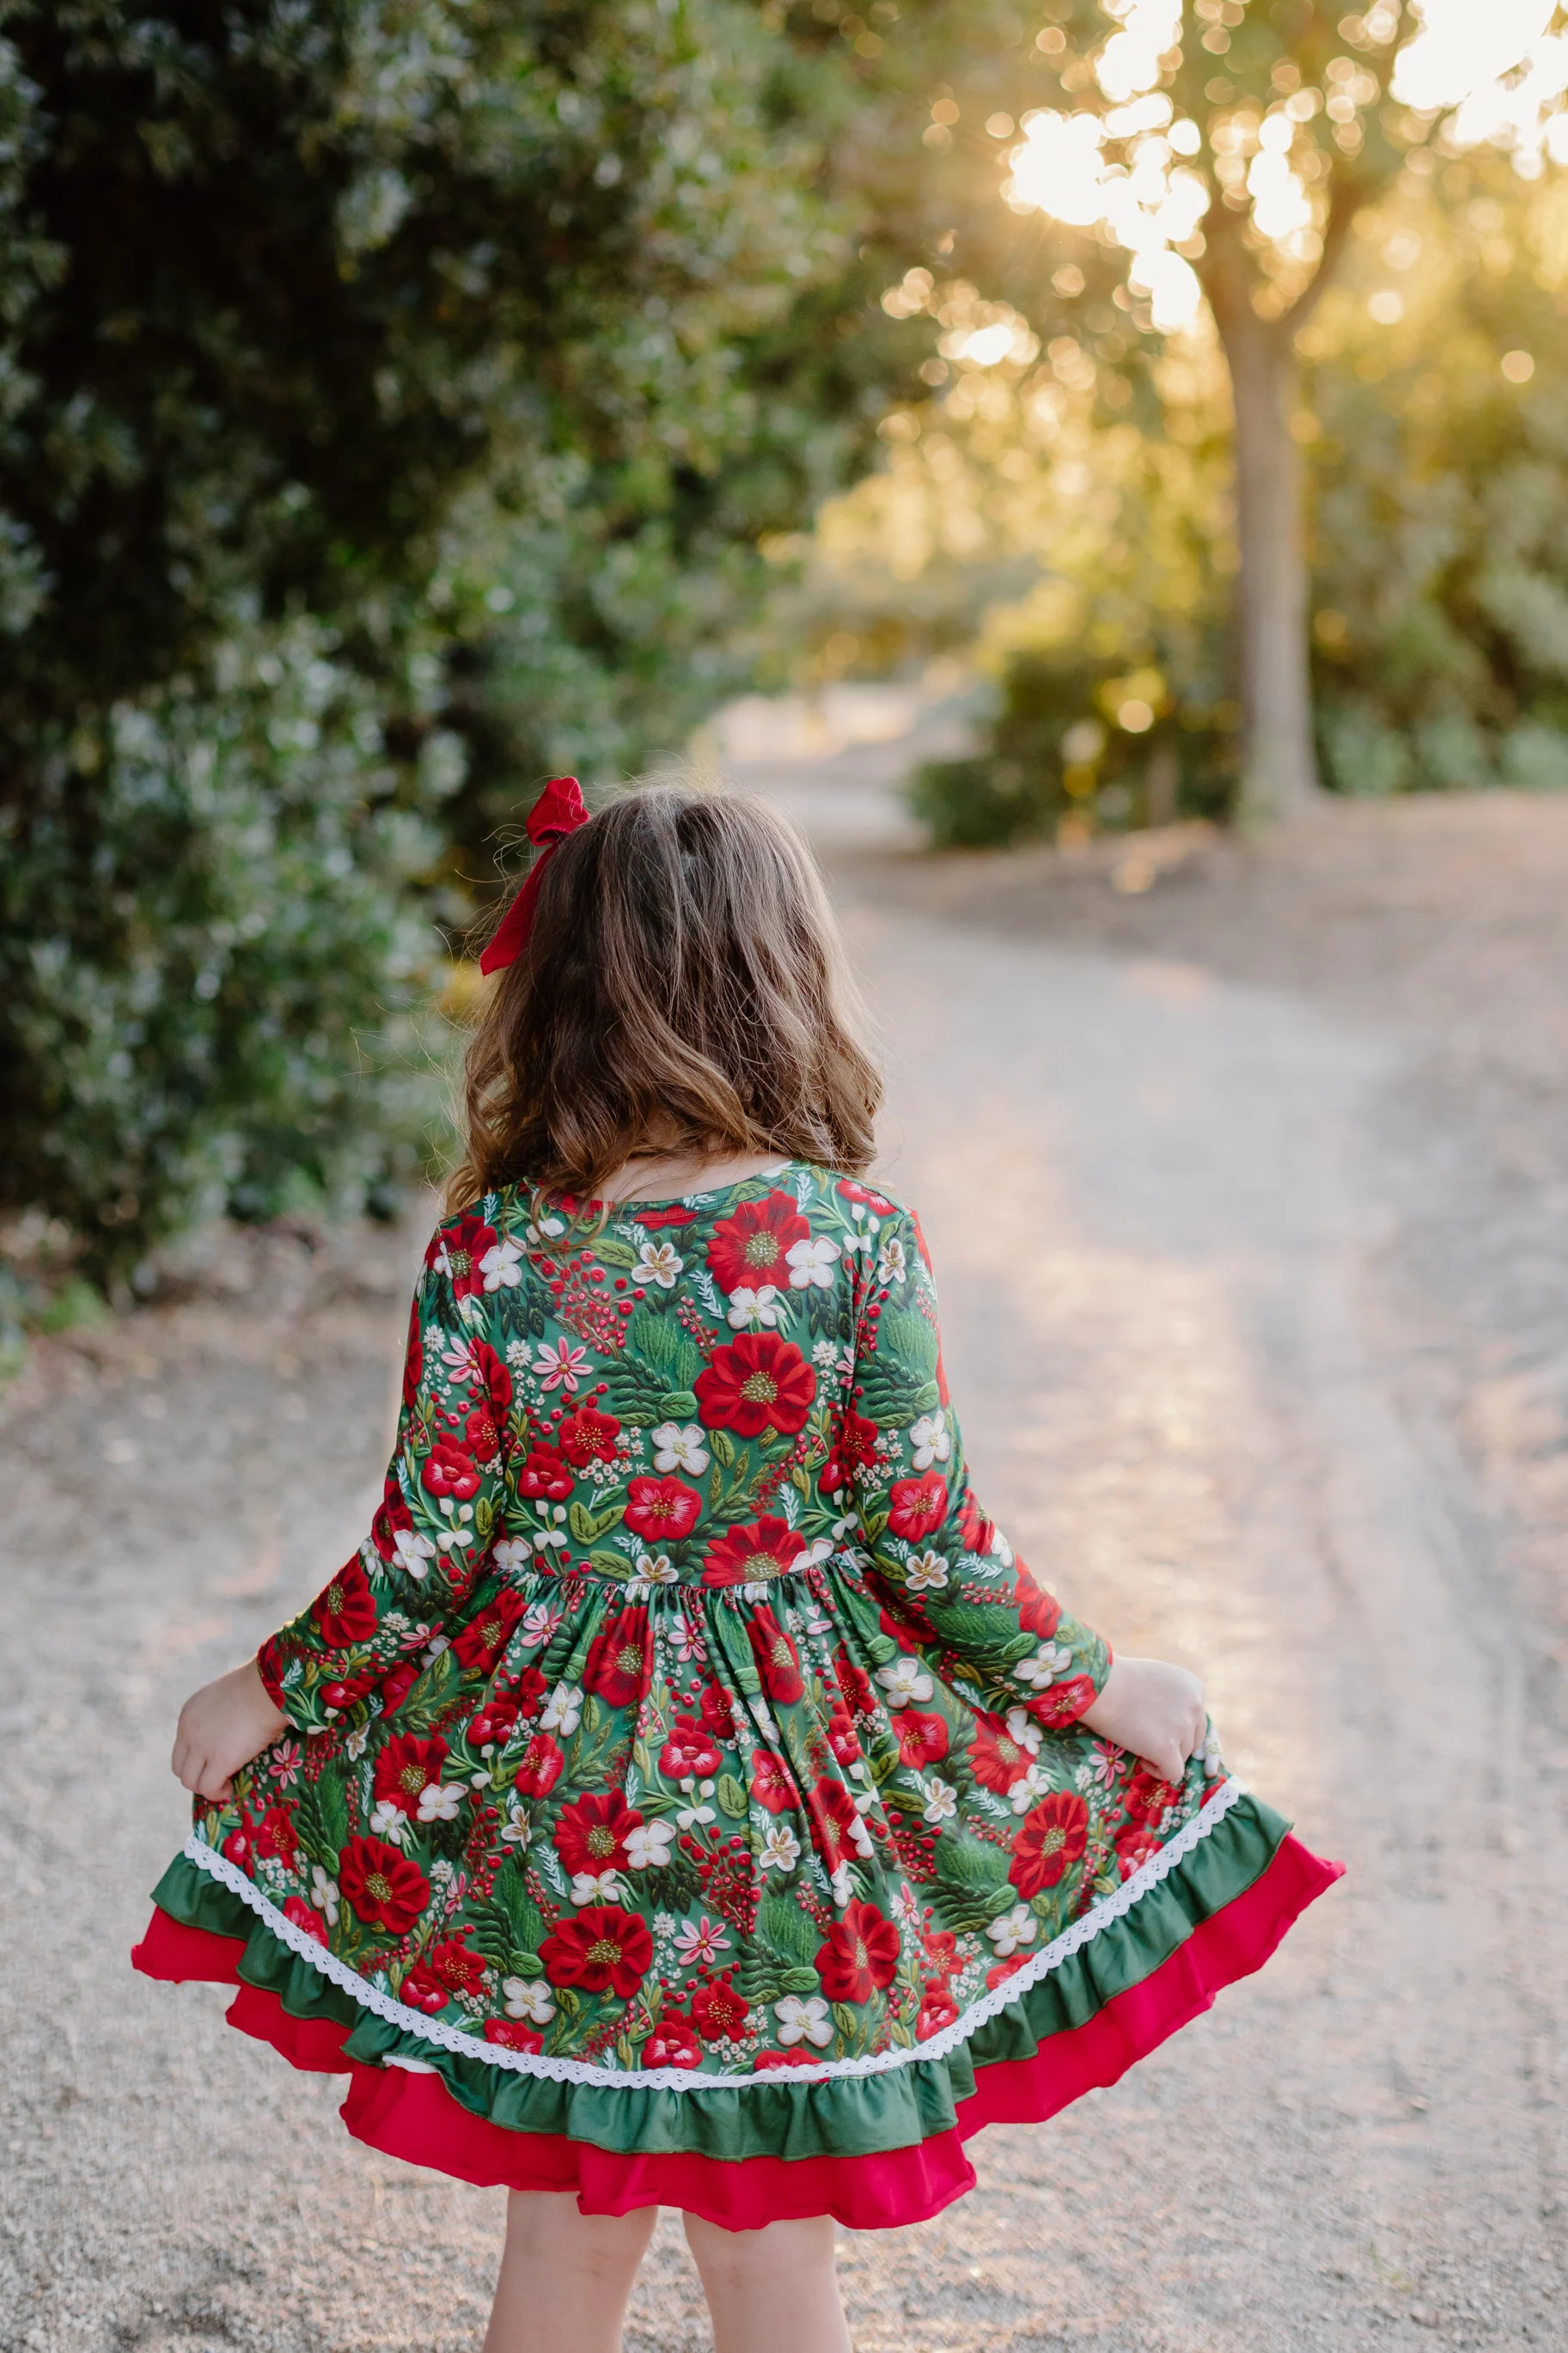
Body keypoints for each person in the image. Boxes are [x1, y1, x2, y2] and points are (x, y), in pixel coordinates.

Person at [134, 779, 1340, 2353]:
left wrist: (266, 1690)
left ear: (561, 997)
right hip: (782, 1833)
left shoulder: (492, 1256)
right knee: (772, 2256)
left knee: (564, 2241)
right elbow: (934, 1548)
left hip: (572, 1833)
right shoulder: (852, 1244)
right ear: (782, 984)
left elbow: (424, 1559)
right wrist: (1104, 1685)